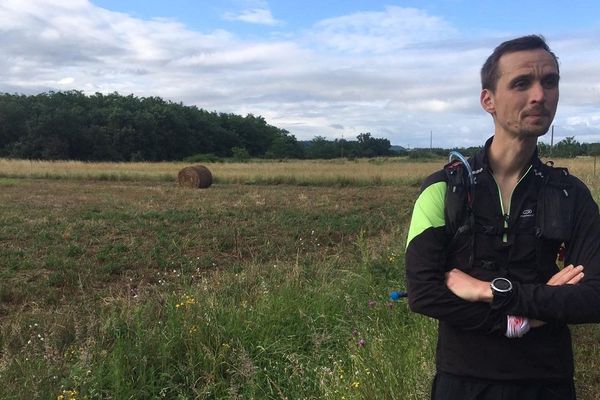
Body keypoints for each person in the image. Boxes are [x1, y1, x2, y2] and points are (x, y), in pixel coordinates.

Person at [405, 34, 600, 399]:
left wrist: (487, 291)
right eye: (522, 83)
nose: (540, 95)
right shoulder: (443, 190)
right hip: (462, 384)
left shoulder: (570, 195)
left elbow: (595, 297)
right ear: (488, 100)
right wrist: (524, 320)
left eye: (550, 81)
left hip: (548, 384)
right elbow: (424, 294)